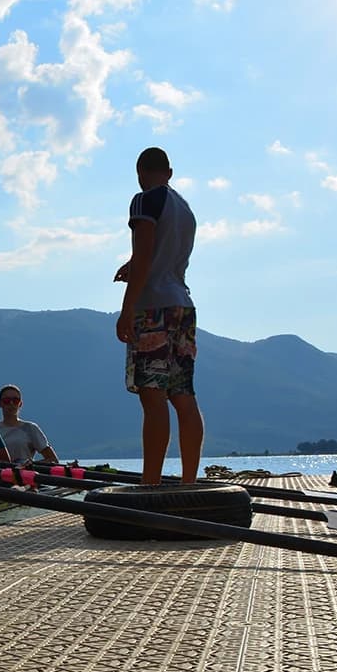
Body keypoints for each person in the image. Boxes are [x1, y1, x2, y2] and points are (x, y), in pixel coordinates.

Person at [114, 146, 204, 485]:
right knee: (183, 395)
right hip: (183, 304)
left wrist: (127, 309)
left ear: (140, 173)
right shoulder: (184, 208)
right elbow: (160, 252)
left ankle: (150, 484)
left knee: (153, 398)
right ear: (169, 172)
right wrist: (134, 262)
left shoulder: (144, 200)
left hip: (153, 308)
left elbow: (146, 252)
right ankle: (188, 483)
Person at [0, 384, 59, 464]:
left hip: (24, 475)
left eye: (15, 400)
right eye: (7, 401)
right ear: (0, 403)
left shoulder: (30, 428)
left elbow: (53, 459)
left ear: (20, 404)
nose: (11, 403)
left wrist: (30, 465)